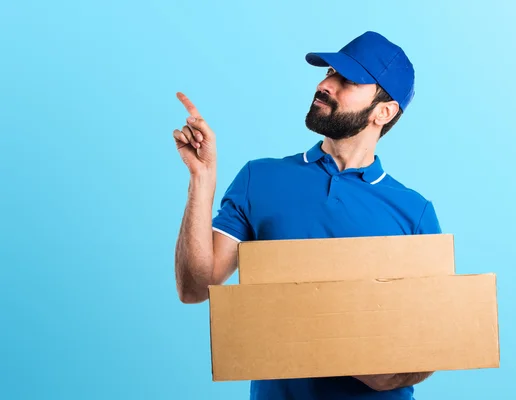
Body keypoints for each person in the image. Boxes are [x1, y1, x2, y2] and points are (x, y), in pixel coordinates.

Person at [172, 31, 442, 400]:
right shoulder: (260, 179)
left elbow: (435, 339)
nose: (325, 83)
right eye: (330, 71)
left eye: (347, 80)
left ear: (385, 111)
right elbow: (194, 287)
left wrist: (372, 369)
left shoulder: (414, 213)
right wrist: (201, 179)